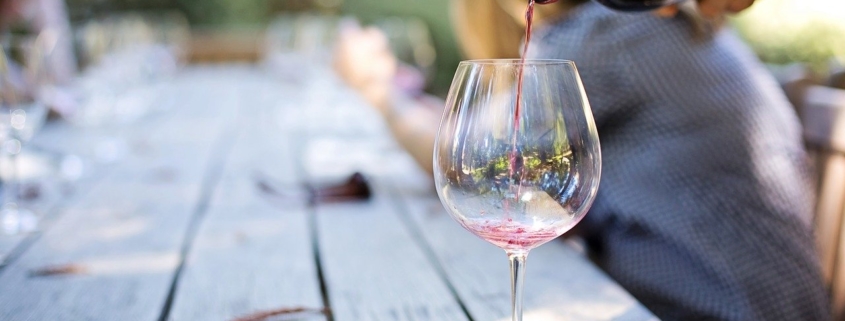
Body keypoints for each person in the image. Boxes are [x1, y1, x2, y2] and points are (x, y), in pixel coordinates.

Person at [334, 0, 831, 320]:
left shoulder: (607, 32)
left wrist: (377, 89)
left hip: (715, 307)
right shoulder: (640, 24)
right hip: (764, 299)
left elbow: (466, 158)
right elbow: (480, 133)